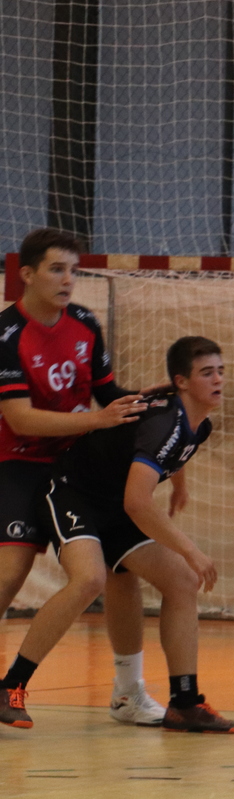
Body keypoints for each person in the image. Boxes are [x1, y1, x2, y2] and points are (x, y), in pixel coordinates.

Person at [0, 336, 234, 733]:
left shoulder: (197, 424)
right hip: (71, 492)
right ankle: (11, 685)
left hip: (112, 505)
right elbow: (138, 503)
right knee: (89, 578)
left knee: (181, 581)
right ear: (181, 381)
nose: (218, 379)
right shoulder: (163, 421)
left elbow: (169, 454)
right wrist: (190, 549)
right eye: (206, 373)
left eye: (220, 371)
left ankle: (184, 703)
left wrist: (179, 486)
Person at [0, 227, 176, 727]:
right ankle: (10, 686)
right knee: (10, 572)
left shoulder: (83, 323)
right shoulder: (6, 335)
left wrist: (147, 402)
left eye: (73, 271)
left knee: (121, 570)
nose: (68, 280)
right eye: (57, 269)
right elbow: (20, 420)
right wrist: (97, 420)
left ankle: (128, 693)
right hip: (21, 465)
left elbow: (107, 393)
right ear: (27, 274)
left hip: (79, 468)